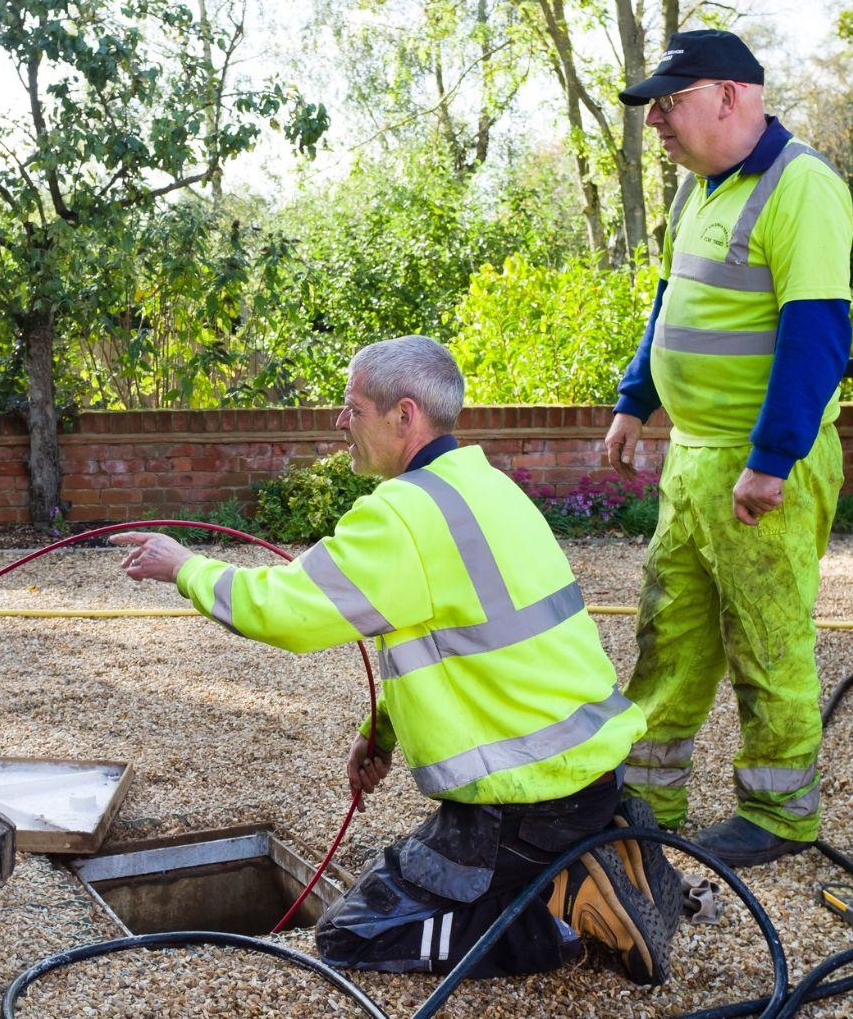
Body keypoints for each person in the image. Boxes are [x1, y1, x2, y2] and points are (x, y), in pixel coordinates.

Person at [112, 335, 682, 984]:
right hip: (582, 774)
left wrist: (182, 565)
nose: (339, 421)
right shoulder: (486, 487)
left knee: (355, 935)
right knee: (408, 890)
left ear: (404, 415)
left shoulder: (405, 516)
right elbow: (460, 647)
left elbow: (284, 611)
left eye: (352, 407)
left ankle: (562, 905)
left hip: (524, 803)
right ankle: (593, 842)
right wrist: (378, 733)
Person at [606, 30, 853, 867]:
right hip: (696, 458)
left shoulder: (803, 187)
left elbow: (815, 336)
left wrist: (773, 459)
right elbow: (672, 306)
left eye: (667, 104)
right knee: (669, 631)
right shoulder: (695, 193)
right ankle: (645, 796)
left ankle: (779, 815)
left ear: (730, 95)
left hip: (758, 465)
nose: (657, 124)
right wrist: (635, 401)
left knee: (767, 637)